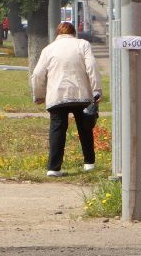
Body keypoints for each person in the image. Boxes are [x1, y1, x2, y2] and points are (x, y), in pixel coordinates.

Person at [30, 22, 101, 177]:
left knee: (57, 130)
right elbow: (92, 67)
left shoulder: (48, 49)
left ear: (58, 33)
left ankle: (53, 168)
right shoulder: (83, 45)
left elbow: (37, 74)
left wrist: (39, 95)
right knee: (85, 128)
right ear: (74, 33)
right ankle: (89, 163)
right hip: (81, 94)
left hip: (57, 95)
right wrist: (96, 90)